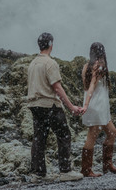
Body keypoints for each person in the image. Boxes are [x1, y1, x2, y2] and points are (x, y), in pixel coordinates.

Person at [26, 32, 85, 181]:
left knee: (39, 137)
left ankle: (38, 173)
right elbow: (57, 88)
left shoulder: (33, 64)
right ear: (51, 45)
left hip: (34, 104)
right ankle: (65, 171)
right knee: (64, 134)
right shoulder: (50, 63)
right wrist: (71, 107)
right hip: (49, 104)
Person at [79, 42, 116, 177]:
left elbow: (86, 87)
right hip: (97, 105)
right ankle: (86, 169)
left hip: (98, 106)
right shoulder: (98, 67)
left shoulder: (86, 66)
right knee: (93, 135)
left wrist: (86, 103)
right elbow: (91, 86)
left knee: (112, 132)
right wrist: (86, 105)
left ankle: (107, 164)